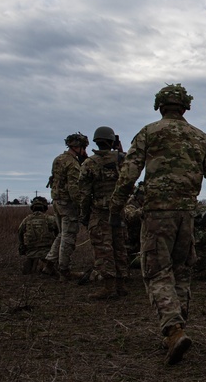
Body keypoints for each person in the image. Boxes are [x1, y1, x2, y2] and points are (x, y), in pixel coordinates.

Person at [110, 83, 206, 365]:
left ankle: (173, 330)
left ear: (160, 106)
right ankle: (178, 328)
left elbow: (129, 173)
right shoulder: (202, 138)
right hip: (187, 213)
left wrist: (116, 205)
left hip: (157, 212)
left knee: (158, 272)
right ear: (185, 107)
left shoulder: (149, 132)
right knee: (182, 272)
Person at [78, 125, 128, 300]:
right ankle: (121, 285)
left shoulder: (89, 163)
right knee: (120, 247)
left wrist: (84, 215)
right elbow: (130, 175)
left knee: (103, 250)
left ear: (96, 142)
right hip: (119, 212)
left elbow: (84, 194)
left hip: (99, 213)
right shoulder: (122, 159)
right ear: (112, 141)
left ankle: (109, 287)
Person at [45, 132, 88, 280]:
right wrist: (82, 206)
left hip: (56, 202)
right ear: (77, 147)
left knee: (61, 234)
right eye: (83, 148)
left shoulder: (58, 159)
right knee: (68, 237)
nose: (85, 151)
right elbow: (74, 189)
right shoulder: (72, 163)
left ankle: (50, 263)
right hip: (68, 204)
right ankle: (64, 271)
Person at [17, 196, 58, 274]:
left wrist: (22, 245)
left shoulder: (26, 220)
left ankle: (33, 263)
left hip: (31, 250)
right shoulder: (50, 219)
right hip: (47, 251)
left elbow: (20, 232)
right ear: (45, 207)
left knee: (30, 262)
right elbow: (59, 233)